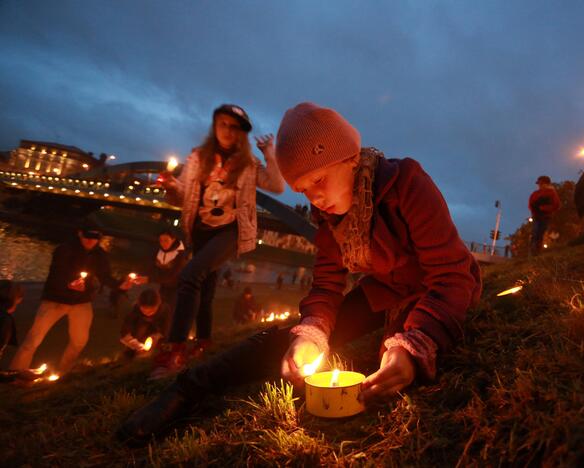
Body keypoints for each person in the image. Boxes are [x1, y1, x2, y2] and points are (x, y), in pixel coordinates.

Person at [117, 102, 482, 445]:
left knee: (396, 355)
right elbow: (326, 287)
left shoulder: (405, 184)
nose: (316, 199)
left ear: (350, 159)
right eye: (304, 190)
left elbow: (450, 275)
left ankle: (408, 341)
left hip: (434, 288)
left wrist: (413, 345)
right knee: (299, 337)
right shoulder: (328, 220)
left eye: (319, 180)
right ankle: (190, 386)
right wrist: (313, 333)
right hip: (385, 290)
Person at [151, 104, 284, 379]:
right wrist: (169, 186)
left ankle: (174, 349)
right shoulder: (198, 158)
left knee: (189, 276)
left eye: (234, 126)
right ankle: (203, 340)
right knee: (206, 286)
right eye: (222, 124)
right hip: (201, 230)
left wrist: (269, 153)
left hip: (230, 230)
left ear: (241, 134)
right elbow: (181, 195)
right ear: (214, 126)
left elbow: (276, 185)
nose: (227, 130)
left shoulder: (247, 165)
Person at [10, 221, 134, 374]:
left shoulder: (99, 255)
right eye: (88, 236)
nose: (91, 240)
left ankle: (62, 373)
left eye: (95, 237)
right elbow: (56, 275)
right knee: (33, 340)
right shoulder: (64, 250)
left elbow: (105, 276)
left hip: (81, 302)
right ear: (80, 233)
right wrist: (69, 284)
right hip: (55, 299)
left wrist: (120, 285)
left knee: (79, 341)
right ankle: (15, 374)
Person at [144, 227, 189, 311]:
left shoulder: (180, 255)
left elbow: (172, 275)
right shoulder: (159, 252)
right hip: (164, 284)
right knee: (160, 305)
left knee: (170, 308)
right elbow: (151, 266)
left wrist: (149, 279)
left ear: (173, 239)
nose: (163, 243)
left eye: (166, 240)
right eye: (161, 240)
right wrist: (145, 275)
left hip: (177, 287)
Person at [120, 289, 171, 360]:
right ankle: (131, 355)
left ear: (158, 305)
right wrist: (135, 344)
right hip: (139, 336)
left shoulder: (164, 310)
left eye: (152, 310)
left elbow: (166, 327)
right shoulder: (135, 312)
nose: (148, 313)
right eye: (144, 310)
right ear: (139, 306)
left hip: (156, 333)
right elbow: (126, 330)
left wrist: (157, 336)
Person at [528, 175, 561, 255]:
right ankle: (533, 251)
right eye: (539, 184)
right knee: (535, 232)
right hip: (537, 215)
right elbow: (530, 204)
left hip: (545, 216)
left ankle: (537, 251)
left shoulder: (551, 193)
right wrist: (535, 210)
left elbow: (556, 205)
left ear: (547, 184)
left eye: (541, 183)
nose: (540, 185)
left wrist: (543, 208)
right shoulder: (535, 193)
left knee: (540, 233)